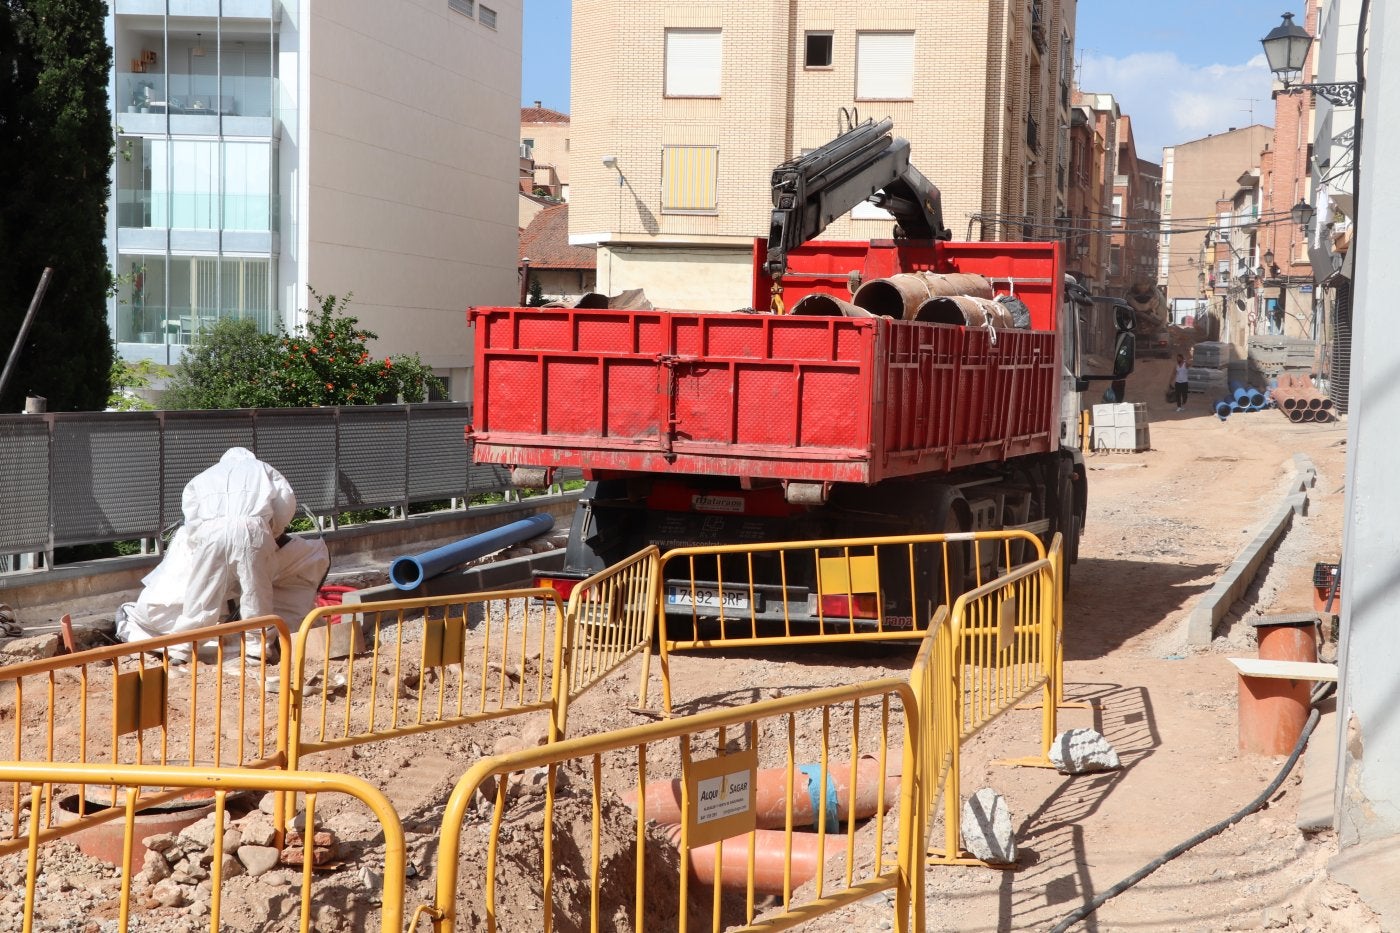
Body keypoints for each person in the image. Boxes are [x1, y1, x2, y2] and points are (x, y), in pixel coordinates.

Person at [116, 448, 328, 662]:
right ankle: (257, 651)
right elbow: (285, 503)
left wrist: (205, 536)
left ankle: (182, 649)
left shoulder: (204, 476)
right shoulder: (263, 469)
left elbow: (191, 515)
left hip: (211, 530)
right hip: (251, 527)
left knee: (202, 593)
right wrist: (273, 531)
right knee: (256, 592)